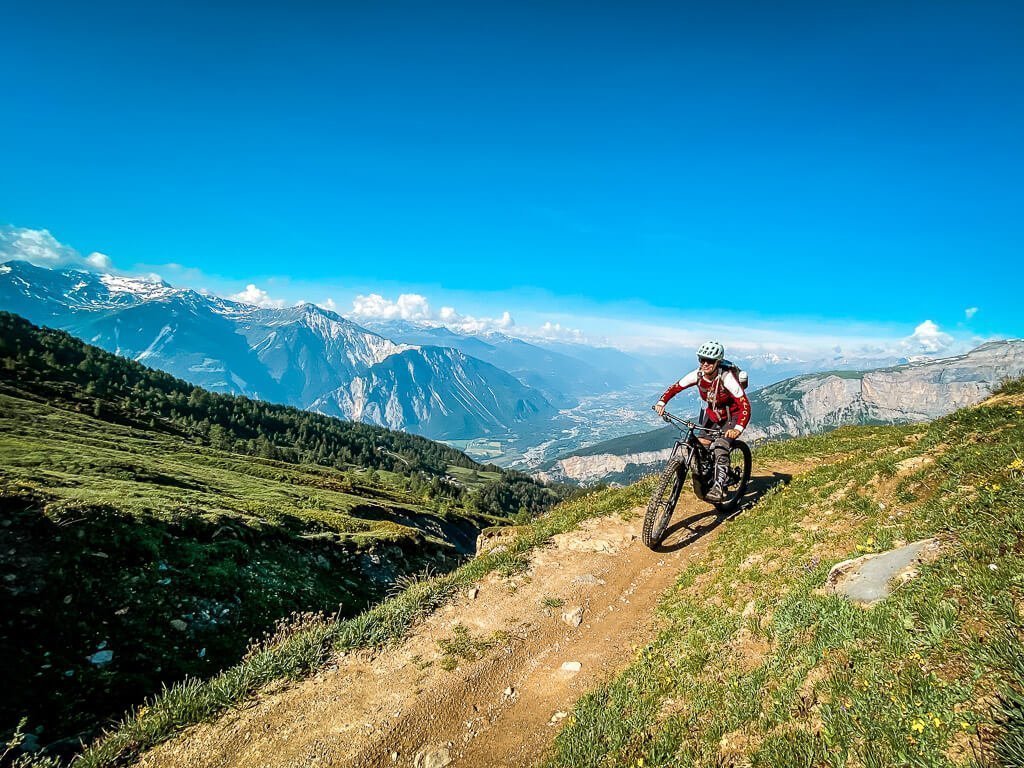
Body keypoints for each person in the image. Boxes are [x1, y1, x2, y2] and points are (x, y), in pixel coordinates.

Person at [653, 341, 751, 502]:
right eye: (702, 359)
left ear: (718, 361)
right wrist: (662, 402)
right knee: (701, 444)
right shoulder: (698, 374)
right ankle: (707, 472)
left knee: (720, 446)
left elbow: (744, 404)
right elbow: (676, 387)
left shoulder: (726, 377)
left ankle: (719, 487)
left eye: (710, 361)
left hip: (731, 416)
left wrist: (738, 428)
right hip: (712, 415)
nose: (705, 364)